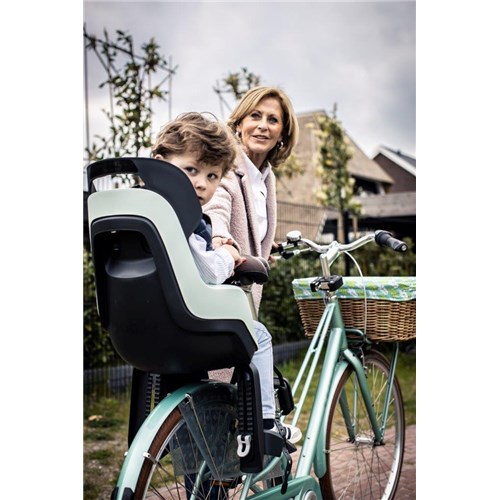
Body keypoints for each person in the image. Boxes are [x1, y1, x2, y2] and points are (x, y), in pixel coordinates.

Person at [151, 112, 301, 444]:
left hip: (140, 325)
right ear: (161, 164)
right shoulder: (181, 215)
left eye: (212, 175)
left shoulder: (140, 208)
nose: (201, 183)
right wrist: (228, 255)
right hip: (185, 323)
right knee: (258, 336)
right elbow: (207, 270)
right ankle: (264, 423)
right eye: (191, 170)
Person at [203, 86, 300, 314]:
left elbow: (247, 219)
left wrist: (262, 244)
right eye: (255, 116)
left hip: (243, 296)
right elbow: (216, 206)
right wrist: (219, 236)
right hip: (220, 296)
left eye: (272, 120)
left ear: (282, 134)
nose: (263, 126)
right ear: (239, 124)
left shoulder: (265, 177)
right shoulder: (226, 166)